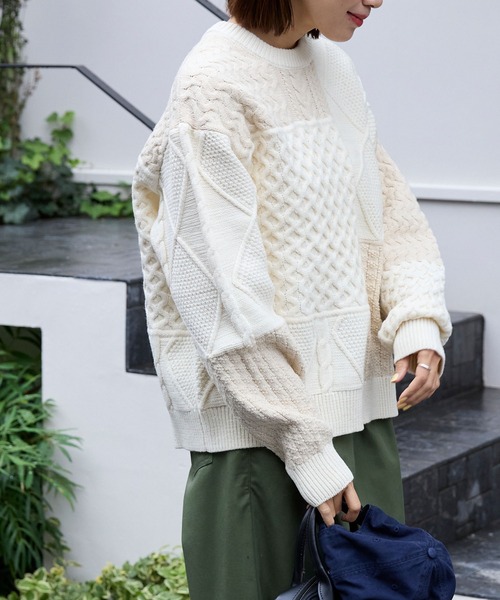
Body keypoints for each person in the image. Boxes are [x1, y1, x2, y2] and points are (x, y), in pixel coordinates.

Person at [132, 0, 452, 598]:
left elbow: (387, 211)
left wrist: (416, 318)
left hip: (360, 423)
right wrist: (305, 448)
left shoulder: (333, 69)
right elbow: (220, 300)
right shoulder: (211, 91)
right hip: (260, 443)